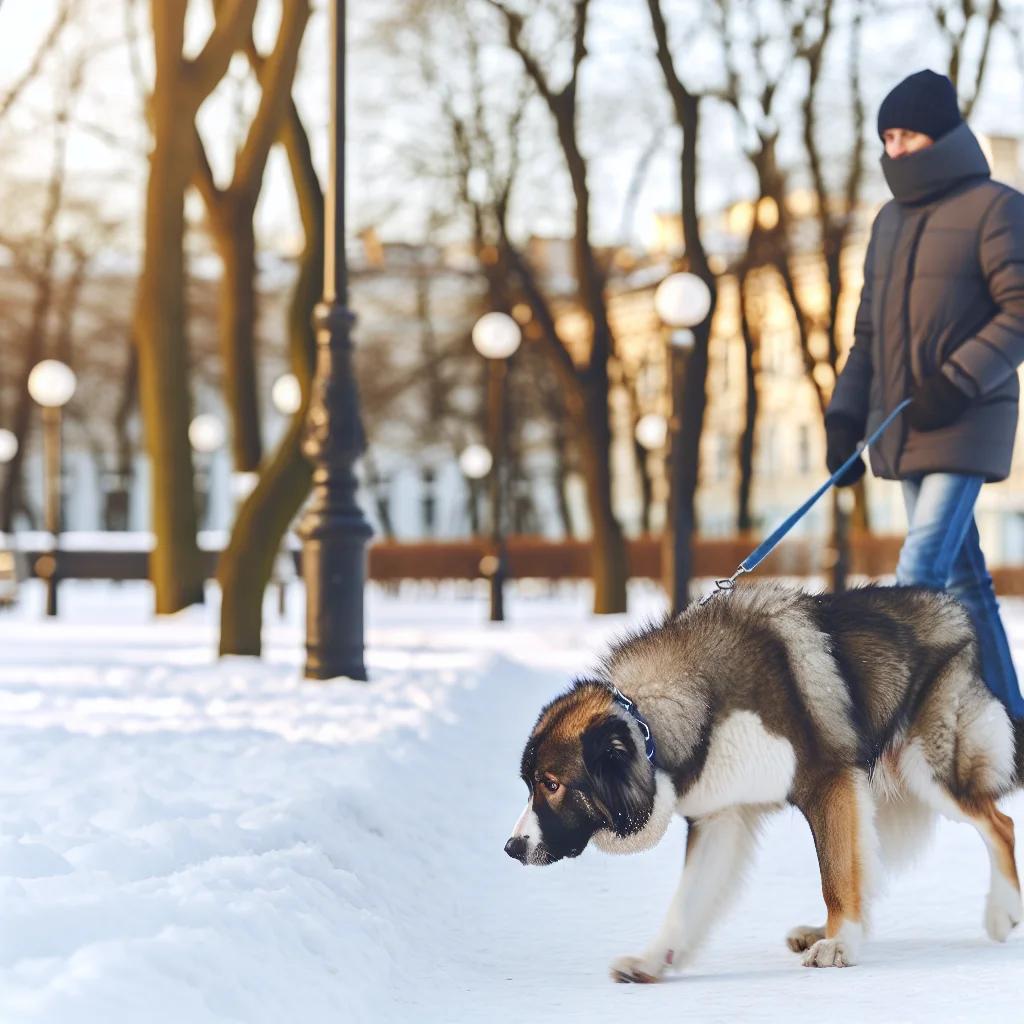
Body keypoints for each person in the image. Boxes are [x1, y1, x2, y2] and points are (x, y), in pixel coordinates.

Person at [826, 69, 1024, 717]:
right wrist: (845, 415)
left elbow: (1019, 311)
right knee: (966, 582)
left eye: (906, 134)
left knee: (920, 573)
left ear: (939, 135)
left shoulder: (996, 206)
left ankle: (885, 724)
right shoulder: (887, 222)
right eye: (886, 136)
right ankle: (1013, 726)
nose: (894, 148)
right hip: (906, 424)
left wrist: (960, 378)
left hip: (965, 415)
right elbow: (869, 331)